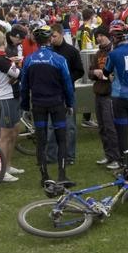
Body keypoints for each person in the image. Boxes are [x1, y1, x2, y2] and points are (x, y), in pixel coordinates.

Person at [21, 25, 75, 186]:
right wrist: (70, 103)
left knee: (41, 138)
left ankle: (44, 176)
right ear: (50, 39)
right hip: (56, 103)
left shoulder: (29, 59)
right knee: (61, 139)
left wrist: (24, 106)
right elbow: (67, 84)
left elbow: (24, 85)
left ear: (36, 41)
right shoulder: (59, 59)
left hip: (38, 105)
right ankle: (62, 175)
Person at [95, 21, 128, 172]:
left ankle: (125, 165)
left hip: (120, 96)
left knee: (122, 132)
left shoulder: (113, 53)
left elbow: (106, 72)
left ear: (114, 37)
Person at [46, 23, 84, 165]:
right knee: (51, 125)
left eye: (54, 36)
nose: (52, 39)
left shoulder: (71, 51)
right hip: (52, 94)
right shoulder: (48, 51)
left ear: (61, 34)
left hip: (68, 93)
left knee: (70, 126)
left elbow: (80, 70)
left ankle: (69, 156)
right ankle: (51, 155)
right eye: (50, 36)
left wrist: (67, 79)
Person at [0, 31, 23, 182]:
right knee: (5, 135)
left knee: (14, 132)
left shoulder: (1, 58)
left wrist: (13, 62)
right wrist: (16, 65)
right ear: (3, 43)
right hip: (7, 98)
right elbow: (19, 74)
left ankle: (8, 166)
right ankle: (1, 171)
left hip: (12, 96)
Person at [89, 26, 120, 169]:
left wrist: (107, 75)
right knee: (102, 127)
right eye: (97, 36)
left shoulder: (114, 52)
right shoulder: (98, 54)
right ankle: (108, 155)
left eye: (101, 35)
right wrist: (94, 72)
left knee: (110, 127)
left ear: (107, 36)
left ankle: (116, 158)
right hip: (99, 93)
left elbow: (117, 72)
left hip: (110, 94)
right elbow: (89, 73)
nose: (98, 38)